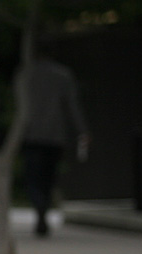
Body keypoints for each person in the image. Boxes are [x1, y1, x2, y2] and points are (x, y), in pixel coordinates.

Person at [21, 52, 90, 237]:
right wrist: (82, 130)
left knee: (34, 176)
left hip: (31, 134)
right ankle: (43, 207)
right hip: (54, 135)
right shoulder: (62, 75)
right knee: (48, 177)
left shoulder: (25, 75)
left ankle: (40, 207)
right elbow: (72, 105)